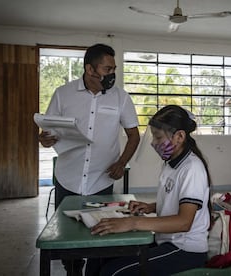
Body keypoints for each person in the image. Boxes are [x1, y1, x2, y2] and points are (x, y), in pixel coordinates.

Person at [38, 43, 140, 275]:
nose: (112, 74)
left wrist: (121, 163)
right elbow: (49, 132)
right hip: (68, 179)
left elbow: (134, 135)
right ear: (90, 69)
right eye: (107, 69)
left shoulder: (121, 98)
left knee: (101, 232)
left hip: (101, 181)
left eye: (114, 69)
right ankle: (73, 269)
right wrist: (44, 139)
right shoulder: (63, 94)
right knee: (69, 235)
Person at [85, 105, 211, 276]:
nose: (153, 143)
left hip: (184, 249)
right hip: (165, 240)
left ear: (180, 136)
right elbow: (177, 200)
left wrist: (132, 223)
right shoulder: (171, 163)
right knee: (100, 256)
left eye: (158, 137)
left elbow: (184, 222)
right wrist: (151, 207)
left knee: (113, 272)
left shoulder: (192, 169)